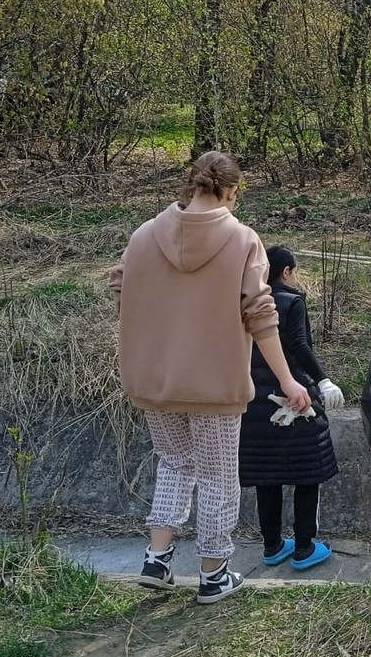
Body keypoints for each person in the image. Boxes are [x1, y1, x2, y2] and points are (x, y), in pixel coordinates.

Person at [108, 151, 312, 605]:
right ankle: (214, 573)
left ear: (193, 184)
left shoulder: (143, 236)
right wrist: (288, 381)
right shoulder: (242, 240)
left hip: (155, 380)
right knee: (219, 477)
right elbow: (261, 316)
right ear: (229, 190)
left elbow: (121, 290)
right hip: (215, 384)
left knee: (174, 463)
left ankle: (156, 560)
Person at [238, 246, 341, 572]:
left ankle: (272, 545)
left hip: (253, 401)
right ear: (286, 272)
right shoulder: (292, 302)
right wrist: (324, 381)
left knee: (267, 475)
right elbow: (299, 346)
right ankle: (305, 546)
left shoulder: (244, 302)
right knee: (307, 472)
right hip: (293, 398)